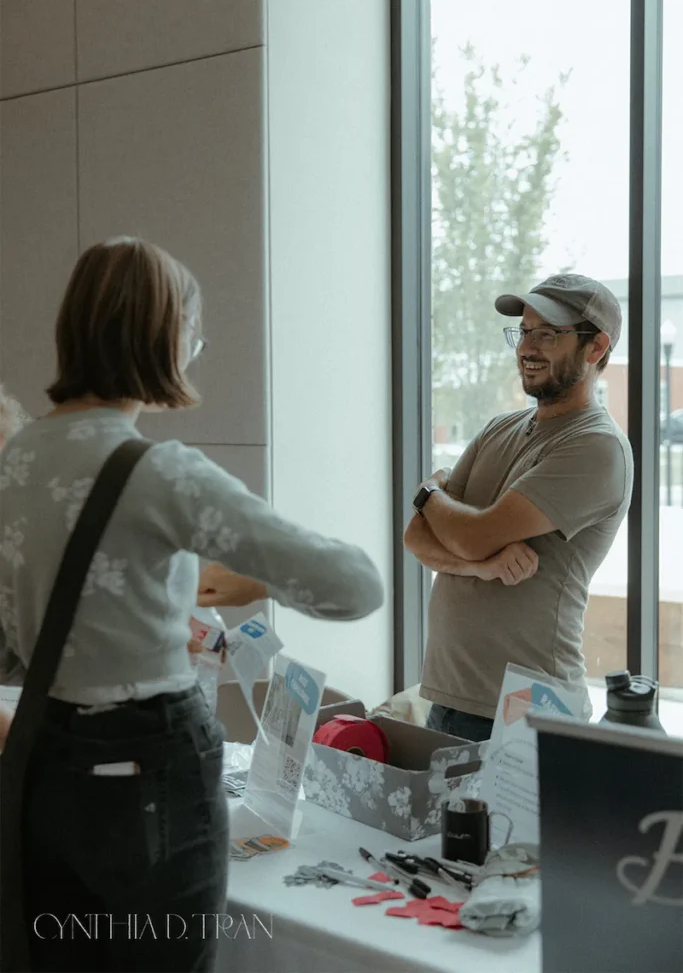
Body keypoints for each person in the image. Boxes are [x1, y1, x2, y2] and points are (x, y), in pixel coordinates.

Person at [0, 236, 384, 973]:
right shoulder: (160, 474)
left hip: (46, 770)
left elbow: (14, 641)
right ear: (167, 337)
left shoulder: (17, 458)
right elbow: (352, 586)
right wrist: (254, 583)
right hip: (152, 775)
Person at [404, 274, 633, 743]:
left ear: (596, 348)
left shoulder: (596, 447)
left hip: (526, 714)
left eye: (548, 334)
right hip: (451, 700)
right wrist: (484, 569)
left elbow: (470, 535)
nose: (527, 347)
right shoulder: (499, 428)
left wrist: (429, 493)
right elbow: (416, 538)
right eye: (524, 331)